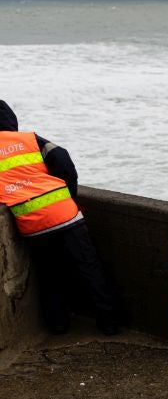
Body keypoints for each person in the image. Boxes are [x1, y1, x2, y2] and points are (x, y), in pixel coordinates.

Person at [0, 100, 120, 335]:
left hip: (32, 224)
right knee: (89, 268)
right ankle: (110, 323)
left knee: (50, 275)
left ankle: (58, 325)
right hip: (65, 215)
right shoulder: (30, 140)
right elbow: (63, 160)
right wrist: (68, 196)